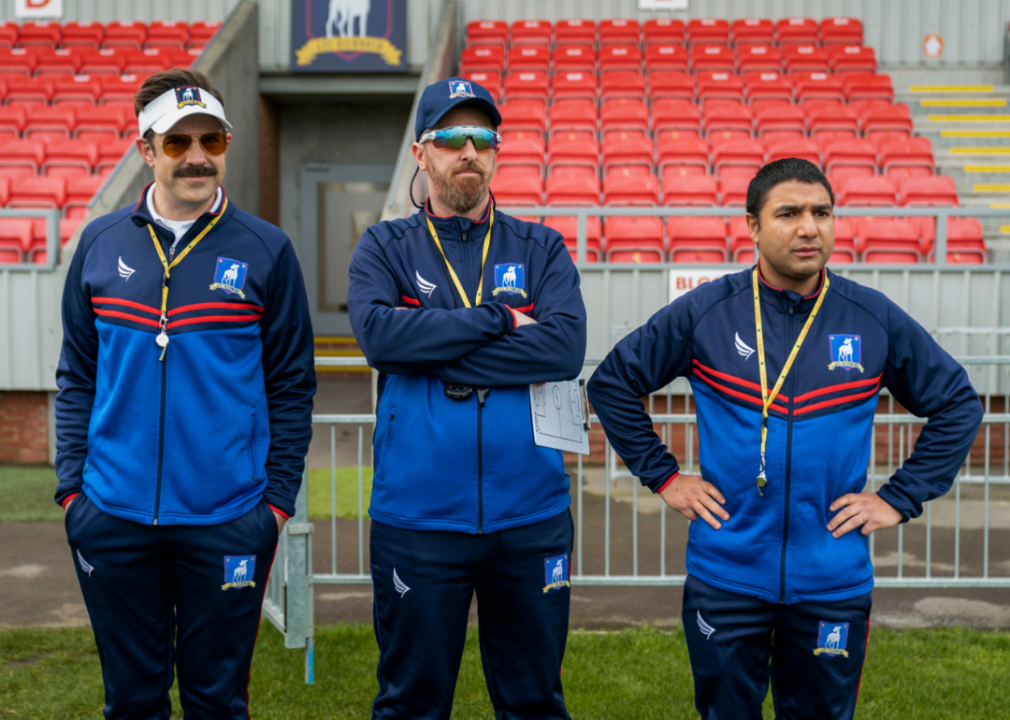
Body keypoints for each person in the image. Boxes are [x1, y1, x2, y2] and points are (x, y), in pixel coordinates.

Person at [587, 158, 983, 720]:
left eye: (822, 212)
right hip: (727, 572)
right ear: (752, 225)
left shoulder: (870, 317)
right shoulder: (708, 311)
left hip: (832, 577)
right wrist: (665, 476)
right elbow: (613, 383)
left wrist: (899, 498)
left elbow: (958, 404)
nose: (809, 227)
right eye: (789, 213)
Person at [55, 68, 316, 719]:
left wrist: (275, 503)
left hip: (228, 518)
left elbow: (291, 385)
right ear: (146, 148)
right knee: (133, 700)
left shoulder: (267, 250)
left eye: (212, 140)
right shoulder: (99, 243)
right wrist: (71, 491)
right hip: (111, 516)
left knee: (217, 700)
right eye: (177, 143)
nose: (198, 157)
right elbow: (77, 374)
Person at [348, 77, 587, 719]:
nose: (469, 152)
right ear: (422, 154)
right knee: (411, 704)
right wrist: (502, 320)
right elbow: (381, 340)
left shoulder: (540, 247)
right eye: (451, 138)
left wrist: (429, 339)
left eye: (483, 138)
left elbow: (563, 350)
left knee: (535, 702)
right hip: (419, 519)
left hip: (530, 517)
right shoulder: (385, 247)